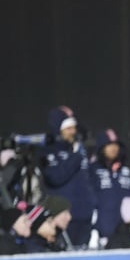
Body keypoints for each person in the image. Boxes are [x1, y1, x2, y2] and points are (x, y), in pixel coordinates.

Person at [41, 106, 95, 248]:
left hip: (84, 216)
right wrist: (76, 156)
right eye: (68, 128)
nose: (73, 132)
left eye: (74, 127)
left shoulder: (80, 150)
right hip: (63, 220)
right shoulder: (49, 150)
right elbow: (55, 177)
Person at [90, 128, 130, 247]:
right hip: (103, 232)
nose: (113, 148)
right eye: (109, 145)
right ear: (101, 148)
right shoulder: (92, 169)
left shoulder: (126, 170)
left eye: (116, 144)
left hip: (125, 231)